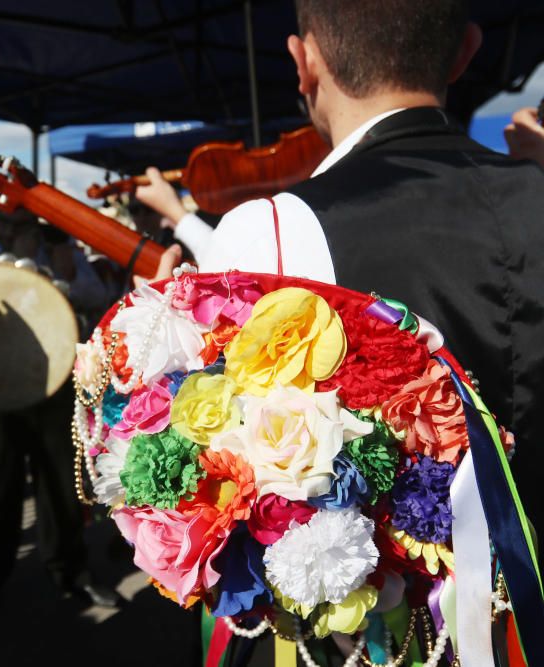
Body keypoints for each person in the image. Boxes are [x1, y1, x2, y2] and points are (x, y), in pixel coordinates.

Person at [137, 0, 544, 543]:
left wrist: (152, 338)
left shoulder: (269, 231)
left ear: (303, 61)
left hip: (398, 622)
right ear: (465, 52)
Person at [0, 210, 119, 618]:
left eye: (22, 221)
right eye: (6, 220)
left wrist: (61, 269)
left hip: (53, 389)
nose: (12, 229)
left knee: (62, 485)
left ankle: (70, 570)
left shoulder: (57, 247)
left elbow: (98, 300)